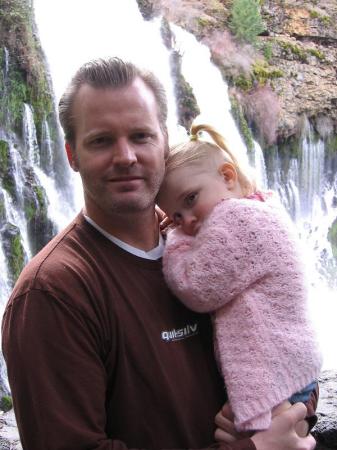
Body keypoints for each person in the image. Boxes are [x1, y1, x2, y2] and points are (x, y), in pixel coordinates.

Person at [1, 57, 318, 450]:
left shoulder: (204, 233)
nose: (126, 157)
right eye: (101, 140)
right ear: (71, 155)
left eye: (140, 136)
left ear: (165, 141)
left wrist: (287, 413)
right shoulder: (53, 294)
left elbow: (285, 333)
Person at [157, 123, 322, 435]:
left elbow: (197, 287)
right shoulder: (257, 205)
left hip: (277, 380)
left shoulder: (234, 219)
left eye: (190, 199)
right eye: (174, 215)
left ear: (227, 176)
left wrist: (175, 239)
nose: (187, 221)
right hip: (292, 368)